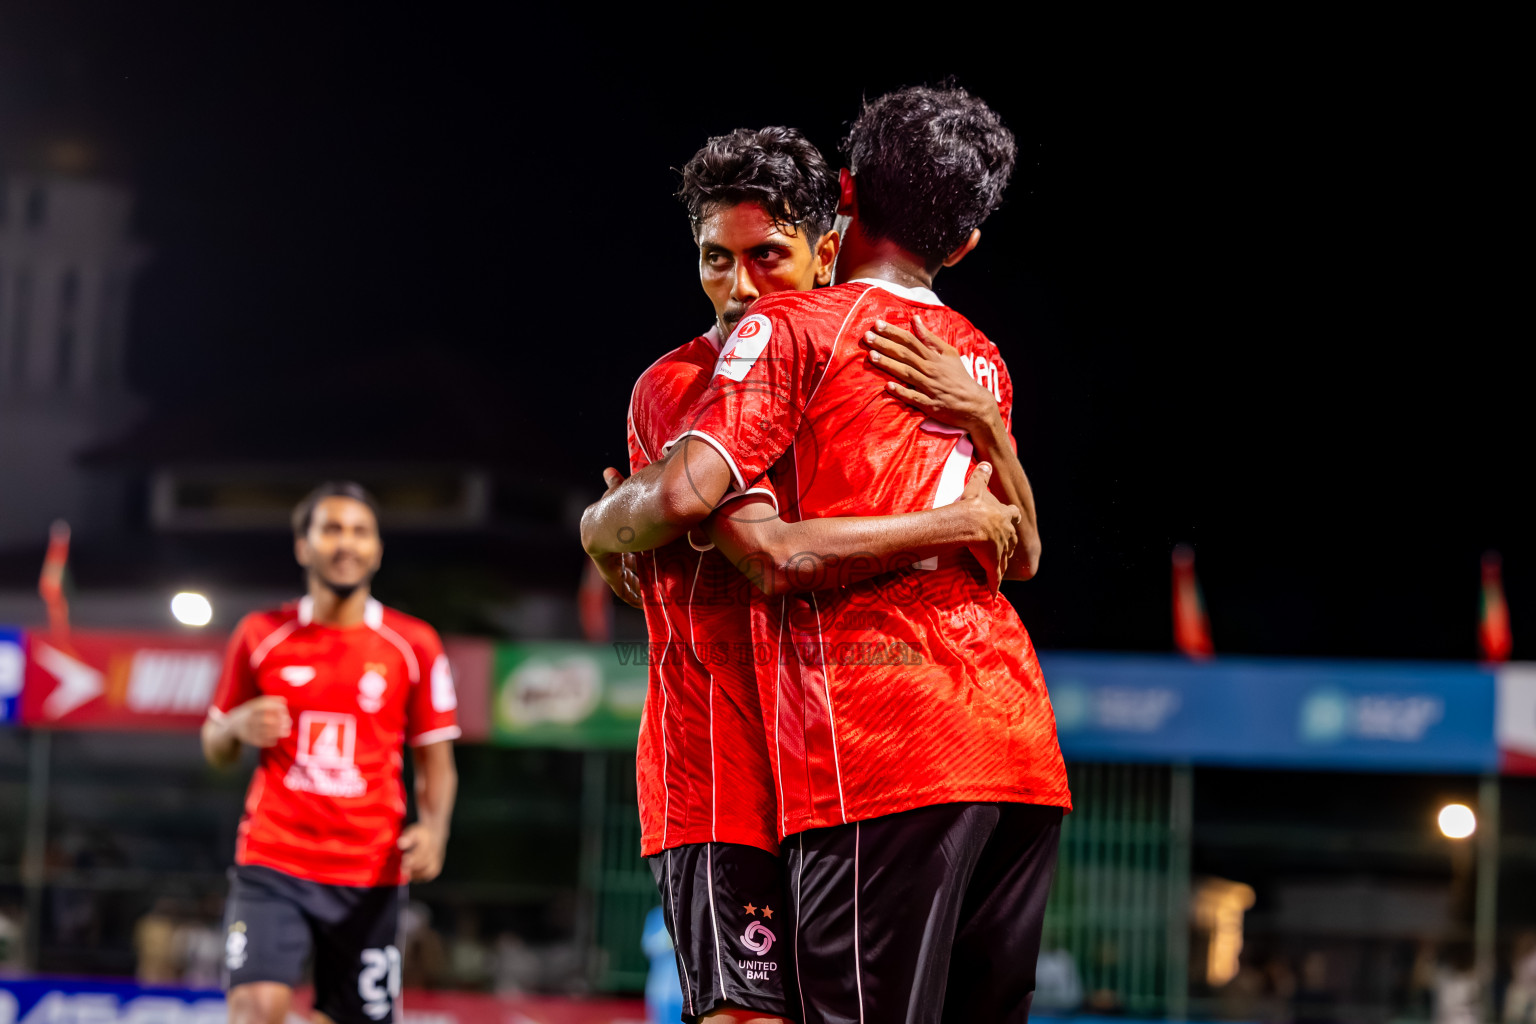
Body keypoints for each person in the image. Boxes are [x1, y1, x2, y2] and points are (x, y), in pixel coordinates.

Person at [582, 85, 1070, 1023]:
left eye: (767, 255)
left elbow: (1007, 550)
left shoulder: (814, 344)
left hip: (854, 756)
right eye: (715, 259)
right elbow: (1011, 547)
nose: (741, 287)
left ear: (829, 233)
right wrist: (602, 522)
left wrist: (604, 523)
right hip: (731, 767)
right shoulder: (690, 381)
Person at [202, 482, 460, 1024]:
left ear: (377, 549)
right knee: (255, 1010)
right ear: (303, 545)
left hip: (370, 870)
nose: (347, 543)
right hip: (274, 858)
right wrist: (235, 727)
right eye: (332, 529)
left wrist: (434, 830)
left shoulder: (414, 644)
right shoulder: (260, 634)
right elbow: (214, 745)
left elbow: (436, 760)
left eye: (360, 531)